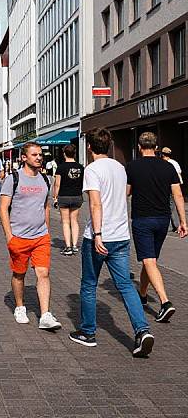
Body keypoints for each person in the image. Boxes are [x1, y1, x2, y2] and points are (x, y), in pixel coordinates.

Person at [69, 128, 154, 357]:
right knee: (126, 285)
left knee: (89, 285)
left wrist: (97, 234)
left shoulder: (92, 169)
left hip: (100, 237)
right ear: (108, 146)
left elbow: (96, 204)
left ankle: (88, 333)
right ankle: (142, 330)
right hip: (121, 236)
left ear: (89, 147)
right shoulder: (120, 168)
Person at [0, 142, 61, 330]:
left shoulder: (44, 179)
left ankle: (45, 315)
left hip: (41, 237)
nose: (39, 157)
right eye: (34, 155)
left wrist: (47, 232)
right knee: (19, 274)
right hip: (19, 236)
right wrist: (9, 236)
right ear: (24, 158)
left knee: (43, 273)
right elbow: (3, 208)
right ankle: (19, 306)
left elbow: (46, 207)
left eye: (40, 154)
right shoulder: (13, 178)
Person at [126, 132, 187, 322]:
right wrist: (183, 221)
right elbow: (178, 195)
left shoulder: (132, 166)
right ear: (156, 146)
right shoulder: (168, 167)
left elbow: (125, 193)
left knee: (149, 260)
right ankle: (143, 294)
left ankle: (165, 302)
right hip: (163, 219)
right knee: (149, 259)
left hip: (143, 219)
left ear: (139, 146)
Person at [53, 144, 84, 256]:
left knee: (66, 222)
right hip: (77, 196)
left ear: (64, 153)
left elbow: (57, 184)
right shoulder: (80, 167)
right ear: (74, 153)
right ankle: (75, 246)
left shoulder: (61, 167)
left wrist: (55, 197)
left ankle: (68, 247)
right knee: (74, 221)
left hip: (64, 196)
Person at [160, 147, 184, 232]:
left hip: (168, 187)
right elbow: (179, 173)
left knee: (169, 206)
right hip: (177, 186)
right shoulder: (175, 162)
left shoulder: (165, 163)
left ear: (162, 154)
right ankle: (175, 225)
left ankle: (176, 226)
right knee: (173, 205)